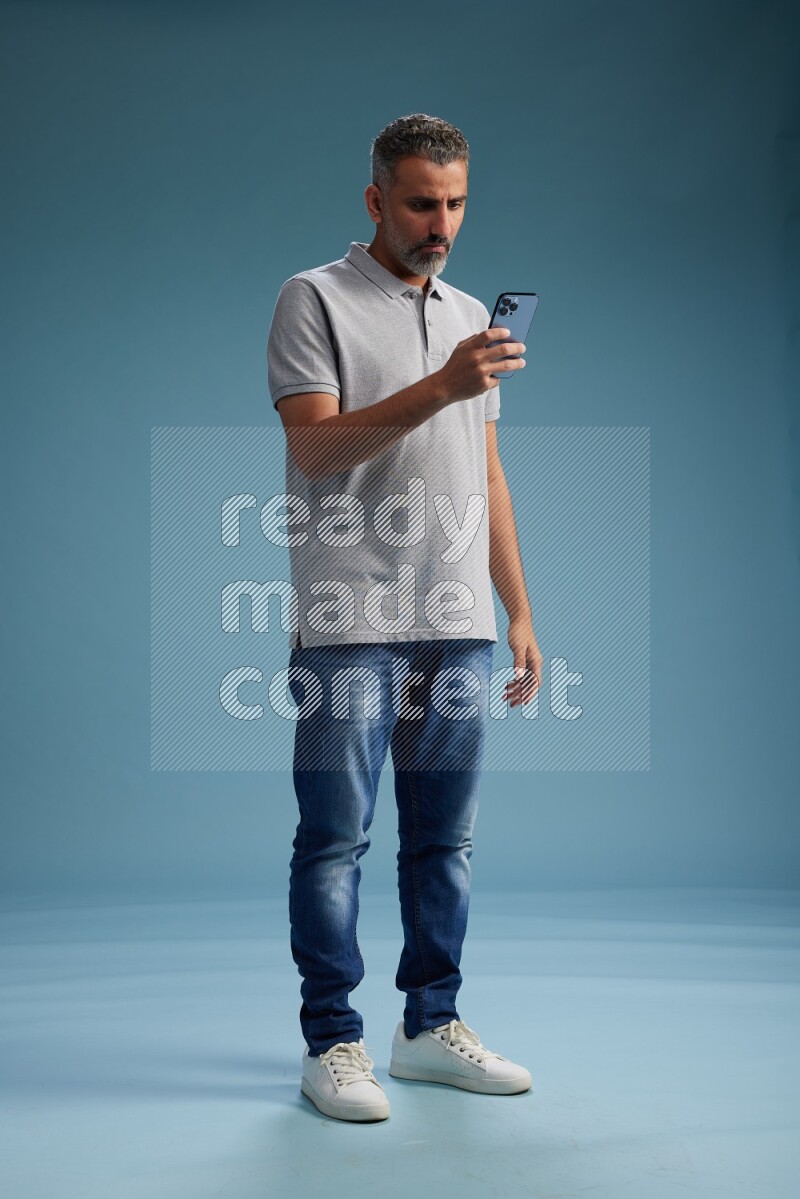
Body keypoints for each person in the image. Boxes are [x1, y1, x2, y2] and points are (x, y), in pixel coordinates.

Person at [267, 113, 543, 1122]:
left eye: (457, 203)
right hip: (350, 616)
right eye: (423, 203)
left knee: (445, 842)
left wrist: (519, 610)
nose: (442, 223)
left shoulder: (469, 313)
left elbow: (486, 472)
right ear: (376, 199)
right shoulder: (313, 298)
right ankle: (331, 1041)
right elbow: (315, 450)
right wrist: (441, 384)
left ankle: (429, 1026)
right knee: (334, 838)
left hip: (457, 616)